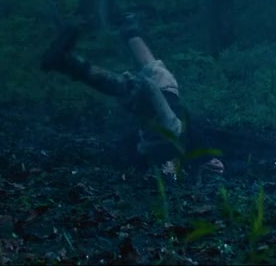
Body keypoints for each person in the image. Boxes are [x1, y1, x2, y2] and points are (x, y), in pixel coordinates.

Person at [39, 14, 221, 174]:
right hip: (164, 121)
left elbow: (179, 145)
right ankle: (128, 29)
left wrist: (205, 160)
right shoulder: (167, 91)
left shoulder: (172, 126)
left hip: (168, 128)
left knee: (139, 85)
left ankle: (68, 61)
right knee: (153, 73)